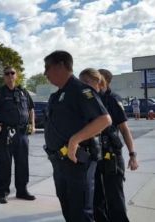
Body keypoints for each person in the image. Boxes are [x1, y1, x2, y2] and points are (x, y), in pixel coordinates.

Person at [43, 51, 111, 222]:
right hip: (60, 162)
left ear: (60, 66)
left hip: (77, 162)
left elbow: (104, 120)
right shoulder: (57, 95)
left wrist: (75, 140)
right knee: (67, 207)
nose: (45, 73)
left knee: (80, 212)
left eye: (47, 68)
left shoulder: (80, 90)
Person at [0, 66, 36, 204]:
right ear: (4, 77)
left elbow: (31, 108)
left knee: (22, 163)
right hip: (6, 133)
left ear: (16, 75)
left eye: (12, 73)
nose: (10, 75)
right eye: (7, 73)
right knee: (5, 162)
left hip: (22, 133)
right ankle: (3, 192)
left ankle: (22, 190)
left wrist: (32, 124)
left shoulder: (23, 92)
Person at [88, 68, 138, 222]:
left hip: (111, 154)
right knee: (96, 197)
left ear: (104, 81)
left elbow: (124, 129)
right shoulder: (90, 99)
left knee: (114, 197)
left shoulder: (113, 99)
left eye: (97, 79)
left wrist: (132, 155)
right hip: (94, 154)